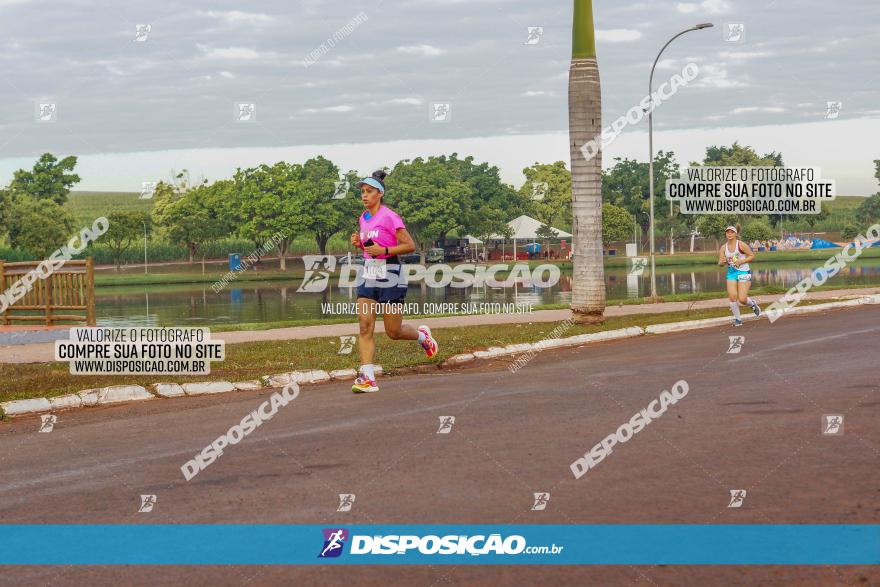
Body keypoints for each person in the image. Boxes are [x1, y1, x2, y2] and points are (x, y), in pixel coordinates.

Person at [349, 170, 438, 393]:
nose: (364, 195)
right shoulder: (363, 217)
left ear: (380, 194)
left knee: (393, 331)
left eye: (369, 192)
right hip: (369, 271)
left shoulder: (390, 216)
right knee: (364, 324)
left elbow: (410, 246)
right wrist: (360, 245)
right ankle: (368, 377)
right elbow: (372, 247)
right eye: (362, 192)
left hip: (391, 272)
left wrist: (385, 250)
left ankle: (422, 337)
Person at [718, 224, 761, 326]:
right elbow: (720, 262)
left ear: (735, 234)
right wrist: (721, 262)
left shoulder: (741, 245)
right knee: (732, 297)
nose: (729, 234)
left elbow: (752, 256)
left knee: (742, 299)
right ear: (725, 234)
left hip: (744, 272)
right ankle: (738, 320)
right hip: (731, 273)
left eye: (732, 232)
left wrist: (741, 261)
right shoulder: (723, 248)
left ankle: (752, 304)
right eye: (727, 232)